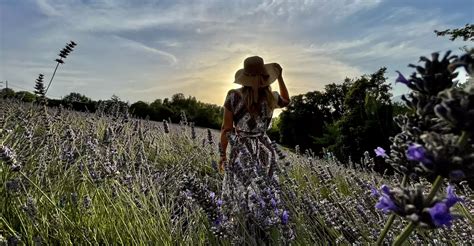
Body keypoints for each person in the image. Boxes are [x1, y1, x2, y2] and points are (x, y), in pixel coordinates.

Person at [219, 56, 290, 175]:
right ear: (265, 77)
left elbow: (226, 129)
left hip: (241, 149)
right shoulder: (272, 98)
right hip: (265, 149)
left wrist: (223, 155)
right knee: (266, 189)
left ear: (245, 78)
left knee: (240, 188)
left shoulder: (233, 96)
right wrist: (280, 78)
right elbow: (287, 100)